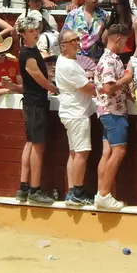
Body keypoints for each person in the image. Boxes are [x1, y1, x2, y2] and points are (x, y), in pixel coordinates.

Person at [15, 15, 58, 205]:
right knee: (37, 145)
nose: (36, 32)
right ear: (23, 34)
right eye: (31, 31)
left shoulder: (30, 51)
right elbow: (39, 78)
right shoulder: (27, 54)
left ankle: (24, 187)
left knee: (31, 143)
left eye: (36, 29)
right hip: (36, 103)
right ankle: (34, 189)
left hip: (32, 102)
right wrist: (56, 89)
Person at [55, 27, 96, 206]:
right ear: (63, 46)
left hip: (71, 111)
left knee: (74, 153)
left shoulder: (65, 62)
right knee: (81, 153)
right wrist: (95, 82)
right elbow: (89, 89)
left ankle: (72, 191)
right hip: (77, 113)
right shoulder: (69, 65)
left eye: (77, 40)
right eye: (73, 41)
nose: (77, 43)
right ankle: (77, 192)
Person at [94, 23, 132, 211]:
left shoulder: (107, 59)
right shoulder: (110, 60)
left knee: (107, 153)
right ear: (118, 38)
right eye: (124, 40)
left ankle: (101, 192)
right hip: (113, 111)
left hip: (106, 111)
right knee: (118, 152)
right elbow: (109, 88)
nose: (125, 44)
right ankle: (104, 194)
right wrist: (127, 78)